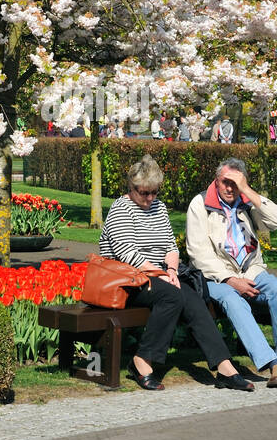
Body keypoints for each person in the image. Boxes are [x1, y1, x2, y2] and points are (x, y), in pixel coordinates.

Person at [99, 155, 253, 391]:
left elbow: (171, 245)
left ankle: (224, 367)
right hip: (126, 278)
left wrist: (171, 270)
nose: (150, 198)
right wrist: (163, 276)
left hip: (158, 274)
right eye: (144, 193)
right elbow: (127, 254)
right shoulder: (122, 208)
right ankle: (142, 360)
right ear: (131, 188)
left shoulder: (158, 208)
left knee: (192, 296)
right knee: (173, 294)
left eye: (154, 192)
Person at [186, 157, 277, 387]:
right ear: (216, 181)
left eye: (235, 183)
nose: (230, 188)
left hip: (251, 270)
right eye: (225, 182)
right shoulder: (199, 204)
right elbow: (198, 254)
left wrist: (247, 190)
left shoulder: (246, 200)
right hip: (215, 276)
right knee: (233, 300)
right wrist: (231, 280)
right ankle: (272, 364)